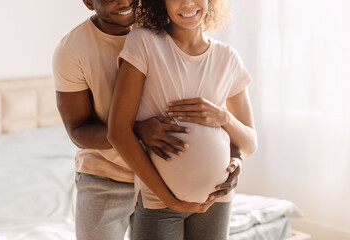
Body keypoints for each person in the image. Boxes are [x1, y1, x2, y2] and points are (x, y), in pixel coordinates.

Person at [52, 0, 243, 239]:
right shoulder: (72, 49)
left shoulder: (168, 25)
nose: (124, 1)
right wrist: (138, 130)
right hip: (108, 176)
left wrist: (234, 157)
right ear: (89, 2)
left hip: (165, 175)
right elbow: (77, 130)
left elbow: (210, 105)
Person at [107, 0, 257, 239]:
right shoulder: (144, 42)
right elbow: (118, 132)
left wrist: (223, 117)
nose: (187, 3)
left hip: (217, 200)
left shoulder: (227, 57)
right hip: (159, 203)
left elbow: (249, 144)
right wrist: (169, 199)